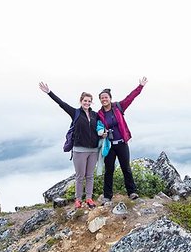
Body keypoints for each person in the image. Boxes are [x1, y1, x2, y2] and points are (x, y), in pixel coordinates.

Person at [39, 82, 103, 209]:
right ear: (81, 101)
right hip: (79, 150)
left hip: (93, 150)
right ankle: (78, 199)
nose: (87, 103)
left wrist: (103, 134)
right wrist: (49, 92)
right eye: (85, 101)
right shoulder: (75, 113)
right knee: (80, 176)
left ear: (91, 102)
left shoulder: (95, 115)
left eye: (89, 101)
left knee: (90, 176)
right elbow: (61, 104)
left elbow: (100, 126)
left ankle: (89, 199)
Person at [96, 77, 148, 206]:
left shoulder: (118, 107)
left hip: (122, 143)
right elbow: (96, 127)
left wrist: (140, 86)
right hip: (109, 145)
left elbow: (130, 97)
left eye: (106, 97)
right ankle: (107, 196)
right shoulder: (99, 114)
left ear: (110, 98)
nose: (104, 99)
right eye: (102, 98)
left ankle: (132, 192)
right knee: (109, 170)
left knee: (126, 168)